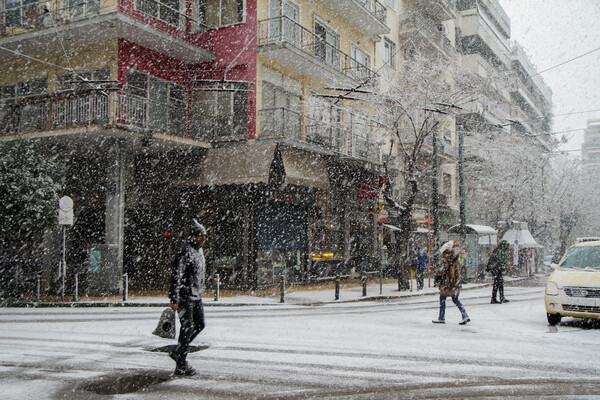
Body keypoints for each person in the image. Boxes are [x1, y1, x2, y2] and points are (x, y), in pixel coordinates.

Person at [168, 218, 207, 376]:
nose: (203, 239)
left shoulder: (199, 251)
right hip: (185, 296)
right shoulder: (185, 250)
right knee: (188, 328)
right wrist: (174, 297)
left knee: (200, 324)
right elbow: (176, 275)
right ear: (193, 236)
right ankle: (181, 364)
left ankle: (179, 351)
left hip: (197, 296)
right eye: (201, 236)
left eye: (204, 237)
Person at [432, 241, 470, 325]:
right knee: (455, 299)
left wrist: (437, 276)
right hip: (455, 282)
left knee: (442, 299)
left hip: (447, 283)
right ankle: (465, 315)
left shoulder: (445, 259)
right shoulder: (456, 258)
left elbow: (442, 270)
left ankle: (441, 317)